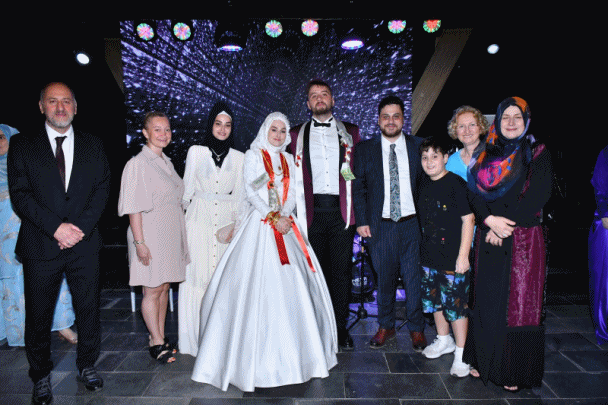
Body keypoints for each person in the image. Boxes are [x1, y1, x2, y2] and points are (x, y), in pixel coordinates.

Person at [191, 112, 337, 392]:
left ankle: (300, 357)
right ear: (265, 131)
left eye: (283, 131)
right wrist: (272, 216)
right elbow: (251, 190)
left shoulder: (288, 159)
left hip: (286, 224)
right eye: (274, 130)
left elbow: (293, 193)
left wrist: (285, 215)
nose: (279, 135)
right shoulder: (254, 156)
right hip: (260, 224)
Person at [7, 82, 111, 404]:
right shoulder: (22, 144)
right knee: (38, 315)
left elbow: (102, 190)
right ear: (41, 106)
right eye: (53, 101)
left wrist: (78, 229)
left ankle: (87, 365)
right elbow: (20, 195)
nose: (60, 107)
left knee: (88, 310)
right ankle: (40, 376)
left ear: (76, 107)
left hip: (84, 243)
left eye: (66, 101)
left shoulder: (93, 144)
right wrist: (56, 229)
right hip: (41, 244)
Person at [463, 97, 552, 392]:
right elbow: (473, 192)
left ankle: (511, 371)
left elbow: (538, 194)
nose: (511, 122)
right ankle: (482, 360)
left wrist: (503, 227)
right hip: (489, 235)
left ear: (526, 121)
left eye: (517, 117)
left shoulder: (536, 152)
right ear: (497, 121)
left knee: (517, 306)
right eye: (506, 117)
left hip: (522, 238)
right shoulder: (486, 152)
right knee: (486, 299)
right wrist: (489, 221)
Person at [352, 95, 428, 351]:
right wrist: (361, 221)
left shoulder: (419, 146)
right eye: (386, 116)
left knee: (413, 281)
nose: (391, 121)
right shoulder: (365, 149)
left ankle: (417, 328)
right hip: (380, 226)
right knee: (384, 280)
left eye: (396, 116)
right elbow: (358, 187)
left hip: (412, 225)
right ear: (378, 120)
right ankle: (386, 326)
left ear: (403, 119)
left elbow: (428, 185)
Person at [289, 79, 359, 350]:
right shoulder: (295, 134)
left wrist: (359, 216)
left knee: (341, 273)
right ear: (308, 104)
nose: (319, 98)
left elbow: (358, 174)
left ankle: (339, 328)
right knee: (315, 274)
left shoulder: (351, 131)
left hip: (342, 212)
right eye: (314, 95)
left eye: (324, 94)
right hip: (310, 214)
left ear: (332, 100)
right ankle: (317, 327)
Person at [118, 111, 189, 364]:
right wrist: (140, 243)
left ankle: (158, 336)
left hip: (168, 234)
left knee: (163, 287)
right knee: (151, 289)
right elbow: (133, 208)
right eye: (157, 129)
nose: (163, 134)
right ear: (145, 133)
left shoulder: (166, 162)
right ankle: (156, 342)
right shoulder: (138, 163)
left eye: (167, 129)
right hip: (149, 234)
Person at [0, 124, 78, 348]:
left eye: (1, 137)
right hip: (3, 238)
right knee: (9, 279)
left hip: (33, 229)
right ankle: (14, 329)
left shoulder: (28, 162)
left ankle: (61, 325)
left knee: (46, 275)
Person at [178, 102, 245, 356]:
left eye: (227, 125)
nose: (223, 129)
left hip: (225, 225)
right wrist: (180, 226)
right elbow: (186, 191)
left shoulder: (240, 157)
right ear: (211, 125)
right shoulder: (196, 152)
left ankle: (220, 342)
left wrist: (235, 226)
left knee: (222, 279)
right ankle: (194, 341)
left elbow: (241, 197)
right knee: (196, 278)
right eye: (218, 124)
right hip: (198, 221)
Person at [416, 136, 475, 377]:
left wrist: (463, 256)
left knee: (456, 306)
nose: (429, 162)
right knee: (435, 302)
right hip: (428, 256)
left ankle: (462, 353)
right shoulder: (422, 183)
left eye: (435, 156)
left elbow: (468, 219)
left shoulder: (456, 184)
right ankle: (444, 340)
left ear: (445, 158)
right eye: (425, 157)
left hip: (453, 258)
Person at [589, 145, 608, 345]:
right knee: (605, 279)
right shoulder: (606, 153)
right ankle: (604, 329)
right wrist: (605, 212)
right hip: (607, 222)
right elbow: (601, 185)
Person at [445, 105, 490, 180]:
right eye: (461, 126)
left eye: (472, 125)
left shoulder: (494, 155)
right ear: (455, 130)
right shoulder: (452, 161)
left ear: (481, 127)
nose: (467, 130)